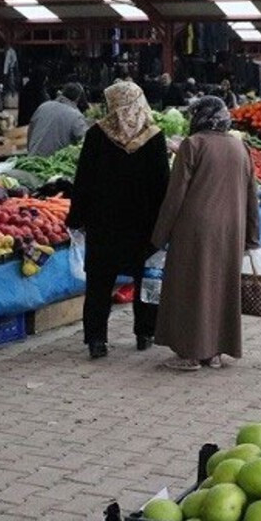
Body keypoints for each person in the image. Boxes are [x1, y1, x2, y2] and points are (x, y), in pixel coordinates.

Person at [152, 97, 260, 371]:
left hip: (195, 229)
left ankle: (190, 354)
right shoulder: (240, 146)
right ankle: (214, 352)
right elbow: (252, 195)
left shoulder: (193, 145)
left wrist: (160, 235)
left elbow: (175, 194)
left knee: (191, 287)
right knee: (222, 288)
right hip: (231, 229)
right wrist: (252, 236)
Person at [67, 81, 170, 360]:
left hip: (104, 224)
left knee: (99, 283)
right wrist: (164, 226)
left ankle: (96, 339)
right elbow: (163, 185)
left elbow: (83, 180)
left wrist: (76, 218)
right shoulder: (153, 137)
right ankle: (145, 332)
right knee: (144, 278)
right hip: (143, 225)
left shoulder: (97, 135)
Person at [26, 82, 88, 157]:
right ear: (78, 98)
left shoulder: (44, 106)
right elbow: (86, 141)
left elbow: (30, 130)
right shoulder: (76, 116)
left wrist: (30, 150)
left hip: (31, 158)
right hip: (53, 161)